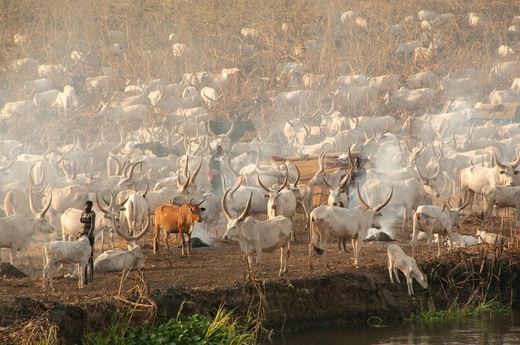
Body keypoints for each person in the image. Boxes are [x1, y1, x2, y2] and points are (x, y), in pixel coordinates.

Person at [79, 200, 96, 284]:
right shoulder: (82, 214)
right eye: (86, 207)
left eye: (88, 208)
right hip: (81, 237)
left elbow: (92, 227)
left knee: (90, 257)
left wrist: (87, 237)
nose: (86, 209)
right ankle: (84, 278)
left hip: (89, 238)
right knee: (83, 258)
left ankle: (91, 277)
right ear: (84, 206)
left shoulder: (92, 214)